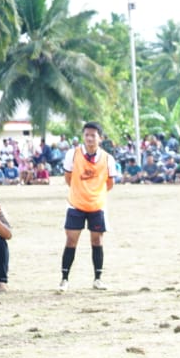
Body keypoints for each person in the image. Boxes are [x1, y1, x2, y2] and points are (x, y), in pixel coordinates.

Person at [59, 121, 120, 291]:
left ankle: (98, 279)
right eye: (86, 135)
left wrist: (95, 194)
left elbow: (110, 183)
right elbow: (68, 178)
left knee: (97, 240)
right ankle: (64, 279)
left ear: (100, 138)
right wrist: (80, 192)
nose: (89, 138)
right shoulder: (72, 154)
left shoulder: (108, 158)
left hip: (97, 205)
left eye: (93, 135)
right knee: (71, 240)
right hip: (75, 204)